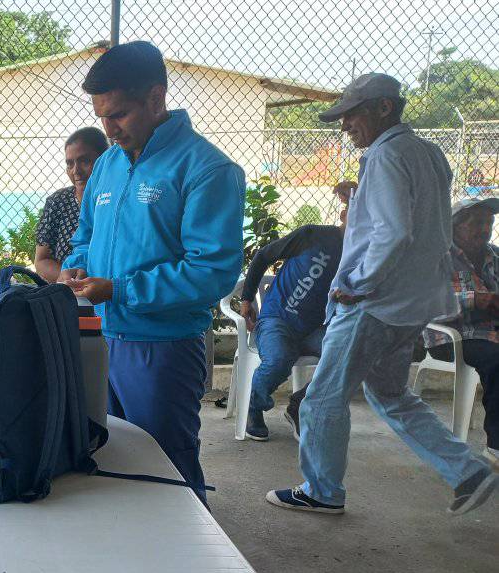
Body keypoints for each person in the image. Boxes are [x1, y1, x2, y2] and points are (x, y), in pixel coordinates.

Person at [267, 73, 497, 516]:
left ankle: (322, 491)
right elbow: (418, 221)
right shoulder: (429, 153)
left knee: (323, 398)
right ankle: (468, 470)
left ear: (384, 108)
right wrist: (359, 199)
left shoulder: (386, 154)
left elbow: (393, 232)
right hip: (413, 302)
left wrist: (358, 283)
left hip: (374, 303)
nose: (344, 125)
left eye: (351, 114)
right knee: (390, 395)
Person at [59, 41, 245, 503]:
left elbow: (211, 271)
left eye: (119, 114)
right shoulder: (108, 164)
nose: (108, 129)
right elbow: (85, 235)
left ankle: (189, 548)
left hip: (162, 350)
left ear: (156, 98)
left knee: (167, 469)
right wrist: (74, 267)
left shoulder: (207, 169)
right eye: (101, 116)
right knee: (107, 458)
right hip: (98, 340)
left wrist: (119, 290)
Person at [238, 181, 352, 441]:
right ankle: (254, 406)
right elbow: (263, 257)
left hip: (315, 328)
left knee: (349, 355)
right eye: (357, 213)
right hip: (277, 319)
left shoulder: (360, 255)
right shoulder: (312, 235)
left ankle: (300, 402)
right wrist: (246, 299)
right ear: (344, 214)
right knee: (279, 359)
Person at [424, 197, 499, 463]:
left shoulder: (494, 255)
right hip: (451, 337)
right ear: (455, 225)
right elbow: (427, 303)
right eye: (477, 223)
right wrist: (475, 300)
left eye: (489, 222)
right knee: (497, 360)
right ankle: (496, 447)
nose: (485, 229)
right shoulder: (436, 257)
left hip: (492, 332)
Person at [34, 127, 109, 283]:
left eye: (85, 161)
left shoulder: (114, 200)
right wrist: (70, 281)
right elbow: (41, 260)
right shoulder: (58, 201)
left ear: (105, 159)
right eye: (70, 164)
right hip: (67, 289)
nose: (76, 171)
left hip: (112, 288)